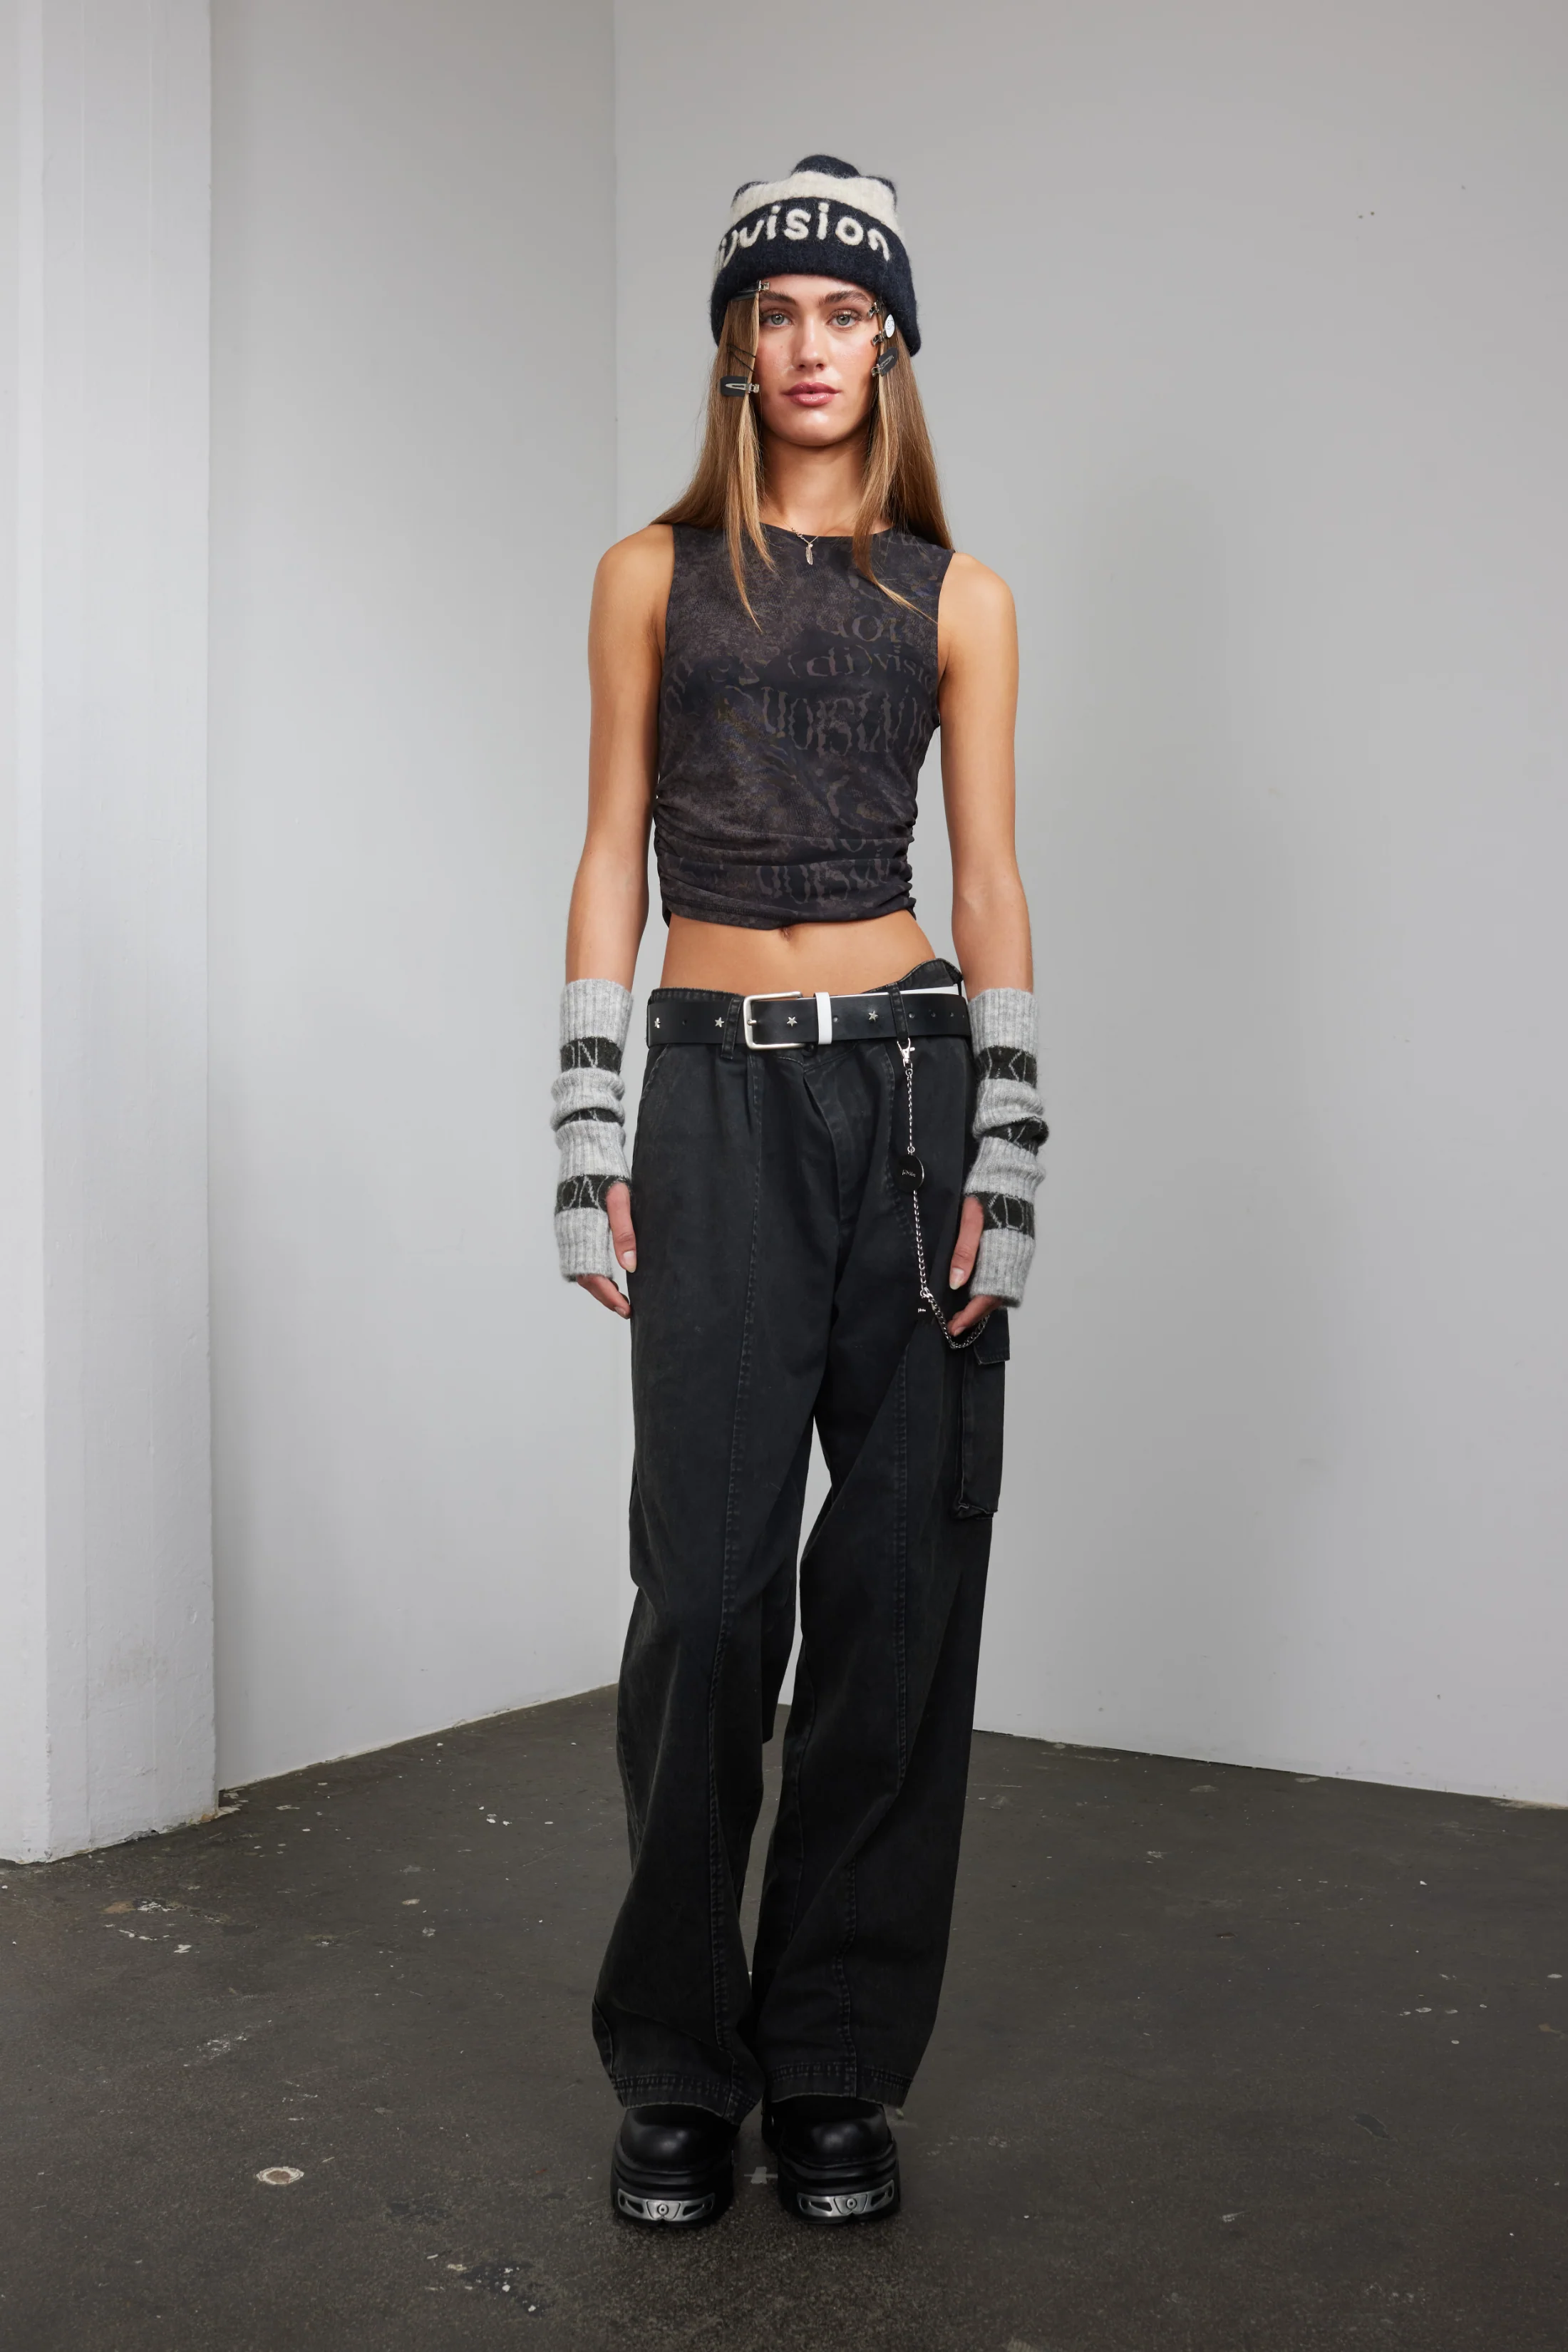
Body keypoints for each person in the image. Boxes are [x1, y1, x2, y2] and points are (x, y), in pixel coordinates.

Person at [552, 156, 1046, 2229]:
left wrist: (1011, 1145)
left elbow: (990, 879)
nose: (811, 345)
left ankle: (835, 2062)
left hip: (913, 1088)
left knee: (900, 1593)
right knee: (709, 1592)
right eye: (777, 311)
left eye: (847, 314)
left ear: (892, 347)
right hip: (714, 1092)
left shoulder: (958, 598)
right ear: (736, 347)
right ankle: (679, 2061)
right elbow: (611, 847)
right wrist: (588, 1121)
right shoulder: (651, 573)